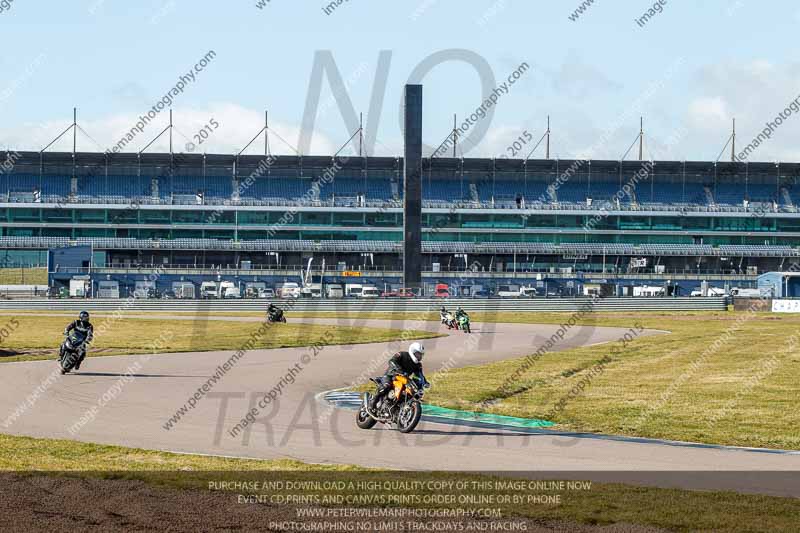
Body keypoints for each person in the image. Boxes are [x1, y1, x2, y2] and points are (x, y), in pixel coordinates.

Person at [368, 342, 429, 413]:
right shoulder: (402, 355)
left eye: (421, 355)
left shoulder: (418, 365)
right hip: (391, 375)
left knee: (408, 393)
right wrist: (398, 369)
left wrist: (424, 382)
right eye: (418, 354)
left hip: (403, 379)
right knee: (386, 386)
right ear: (412, 351)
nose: (419, 356)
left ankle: (398, 408)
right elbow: (392, 361)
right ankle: (373, 402)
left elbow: (420, 374)